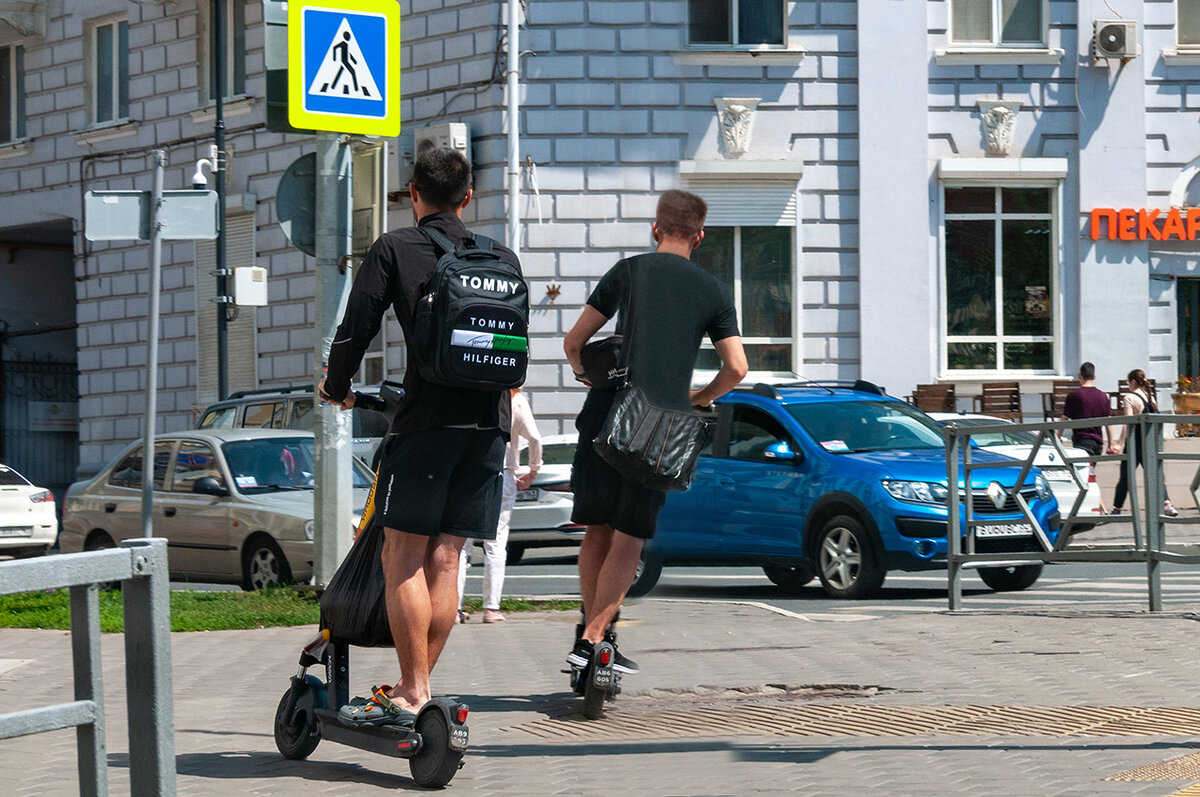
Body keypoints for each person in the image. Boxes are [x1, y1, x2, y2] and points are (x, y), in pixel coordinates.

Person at [320, 147, 521, 721]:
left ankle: (414, 690)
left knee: (401, 555)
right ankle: (416, 687)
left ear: (413, 193)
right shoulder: (500, 256)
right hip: (490, 426)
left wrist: (336, 386)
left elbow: (356, 327)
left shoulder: (396, 247)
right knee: (447, 558)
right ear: (468, 197)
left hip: (427, 423)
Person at [562, 189, 748, 673]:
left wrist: (587, 376)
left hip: (607, 414)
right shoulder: (712, 291)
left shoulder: (629, 271)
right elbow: (737, 368)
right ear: (700, 236)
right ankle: (595, 638)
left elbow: (573, 342)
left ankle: (590, 631)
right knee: (629, 537)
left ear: (655, 228)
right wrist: (699, 399)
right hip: (661, 428)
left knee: (597, 528)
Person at [456, 387, 542, 624]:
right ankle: (491, 609)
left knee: (461, 544)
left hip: (468, 473)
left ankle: (454, 608)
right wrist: (534, 469)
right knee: (496, 542)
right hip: (502, 472)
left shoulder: (471, 393)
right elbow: (534, 437)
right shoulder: (516, 399)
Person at [1108, 368, 1178, 517]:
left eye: (1129, 383)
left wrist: (1119, 444)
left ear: (1133, 382)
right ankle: (1167, 504)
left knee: (1125, 477)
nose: (1129, 386)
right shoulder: (1150, 398)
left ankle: (1116, 509)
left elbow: (1128, 424)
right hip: (1150, 443)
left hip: (1134, 444)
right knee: (1157, 475)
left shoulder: (1129, 398)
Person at [1059, 362, 1112, 459]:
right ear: (1094, 376)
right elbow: (1108, 422)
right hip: (1098, 442)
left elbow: (1064, 418)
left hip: (1082, 440)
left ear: (1080, 376)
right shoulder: (1103, 396)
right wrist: (1110, 444)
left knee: (1082, 473)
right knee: (1090, 472)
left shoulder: (1074, 396)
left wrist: (1058, 436)